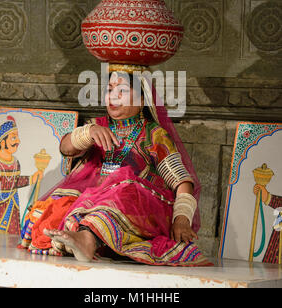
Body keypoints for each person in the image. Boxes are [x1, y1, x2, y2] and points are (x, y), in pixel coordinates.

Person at [19, 69, 211, 267]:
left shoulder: (154, 134)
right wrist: (88, 133)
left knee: (126, 188)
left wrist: (182, 219)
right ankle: (80, 238)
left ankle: (87, 240)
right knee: (54, 209)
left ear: (143, 99)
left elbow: (181, 181)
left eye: (122, 90)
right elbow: (65, 148)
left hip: (138, 209)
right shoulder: (97, 126)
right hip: (93, 201)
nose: (113, 96)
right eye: (109, 89)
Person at [0, 116, 43, 234]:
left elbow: (14, 181)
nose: (18, 141)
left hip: (12, 205)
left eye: (17, 137)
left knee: (12, 238)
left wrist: (31, 179)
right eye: (14, 137)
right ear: (2, 141)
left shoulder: (15, 162)